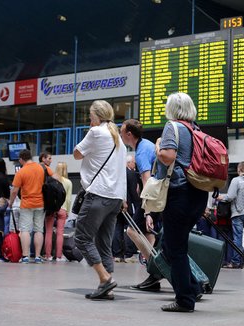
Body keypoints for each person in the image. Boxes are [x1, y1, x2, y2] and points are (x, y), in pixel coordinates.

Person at [155, 92, 208, 312]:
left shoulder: (173, 127)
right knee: (172, 244)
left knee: (174, 248)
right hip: (198, 193)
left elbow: (167, 156)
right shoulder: (197, 130)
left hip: (179, 193)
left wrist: (158, 147)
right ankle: (192, 287)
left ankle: (185, 300)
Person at [73, 100, 126, 301]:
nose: (89, 118)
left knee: (82, 238)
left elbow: (77, 154)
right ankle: (107, 287)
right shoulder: (118, 138)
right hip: (115, 197)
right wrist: (124, 198)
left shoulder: (96, 132)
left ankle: (105, 278)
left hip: (98, 194)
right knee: (104, 242)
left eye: (90, 115)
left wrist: (91, 130)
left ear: (97, 115)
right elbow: (121, 170)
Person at [120, 119, 162, 291]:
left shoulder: (141, 151)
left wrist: (148, 211)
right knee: (147, 234)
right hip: (160, 195)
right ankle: (154, 276)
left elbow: (147, 180)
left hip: (153, 198)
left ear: (129, 134)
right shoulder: (146, 145)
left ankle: (156, 268)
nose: (120, 134)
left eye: (122, 131)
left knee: (131, 230)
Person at [8, 150, 53, 264]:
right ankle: (37, 256)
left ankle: (25, 256)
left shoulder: (21, 172)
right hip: (41, 204)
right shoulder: (42, 168)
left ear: (21, 159)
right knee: (38, 230)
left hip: (26, 204)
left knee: (25, 230)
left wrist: (11, 203)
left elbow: (14, 191)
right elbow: (55, 178)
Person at [217, 161, 244, 269]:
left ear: (238, 169)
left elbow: (230, 196)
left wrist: (221, 197)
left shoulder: (236, 180)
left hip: (238, 213)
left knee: (237, 238)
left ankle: (236, 262)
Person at [44, 162, 73, 262]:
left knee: (48, 232)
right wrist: (67, 210)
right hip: (63, 209)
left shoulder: (51, 180)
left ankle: (48, 255)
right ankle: (59, 256)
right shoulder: (68, 182)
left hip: (51, 208)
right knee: (60, 233)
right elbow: (68, 199)